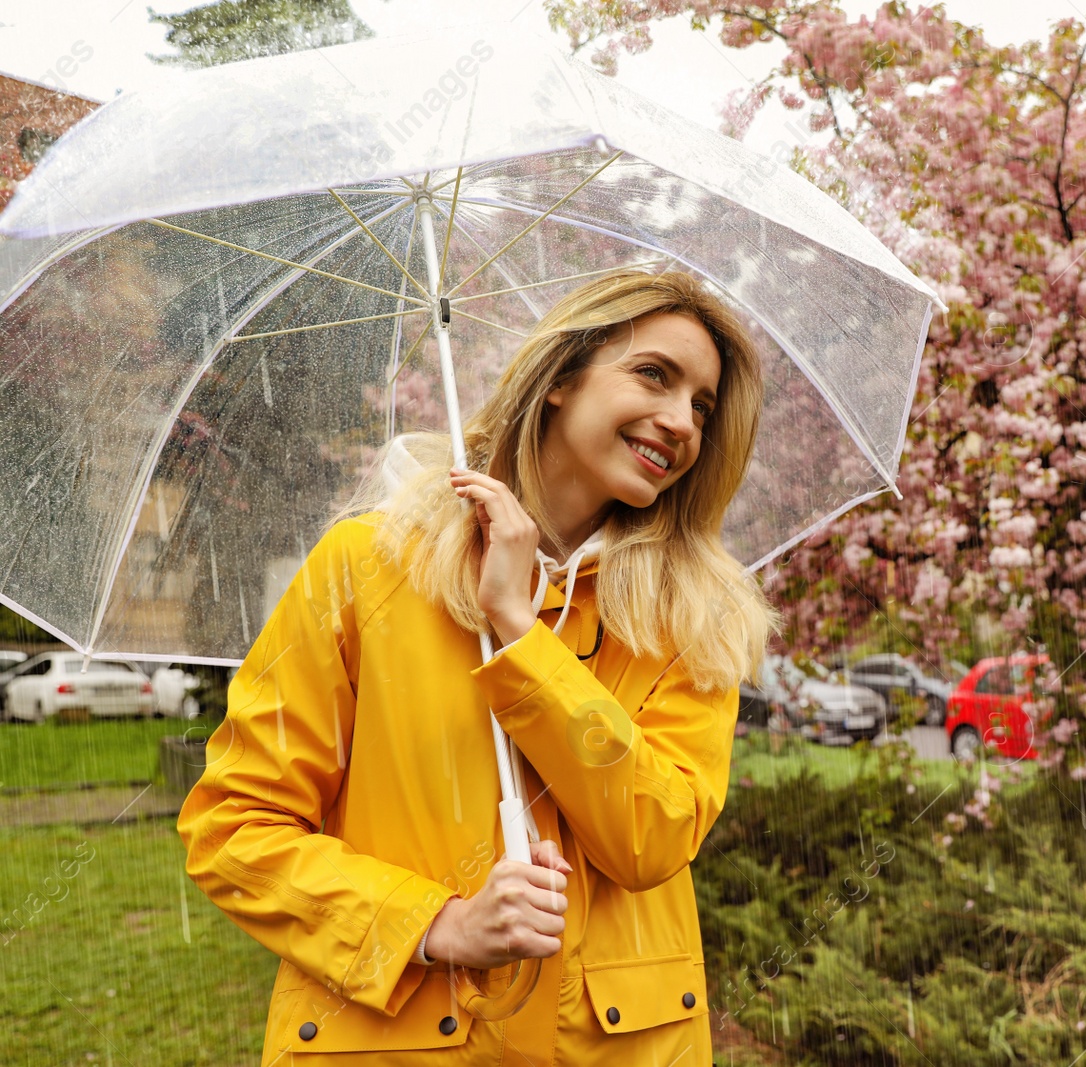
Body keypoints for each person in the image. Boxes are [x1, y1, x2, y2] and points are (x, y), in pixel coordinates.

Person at [177, 270, 777, 1066]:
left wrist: (521, 633)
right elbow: (236, 830)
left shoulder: (693, 618)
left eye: (702, 406)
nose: (680, 422)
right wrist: (435, 924)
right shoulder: (366, 569)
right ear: (561, 377)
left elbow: (652, 836)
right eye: (654, 375)